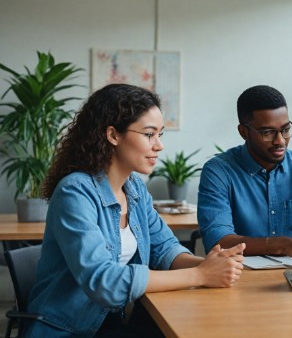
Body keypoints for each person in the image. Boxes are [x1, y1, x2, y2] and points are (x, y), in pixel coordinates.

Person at [25, 84, 245, 337]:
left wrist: (212, 264)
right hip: (67, 330)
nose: (159, 145)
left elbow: (164, 249)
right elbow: (104, 281)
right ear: (113, 135)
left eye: (161, 134)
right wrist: (199, 275)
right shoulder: (75, 192)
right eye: (149, 135)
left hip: (110, 322)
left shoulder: (134, 189)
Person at [198, 85, 292, 257]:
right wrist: (280, 246)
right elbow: (218, 241)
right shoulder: (219, 171)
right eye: (267, 132)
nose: (280, 141)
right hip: (238, 277)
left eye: (286, 130)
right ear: (243, 132)